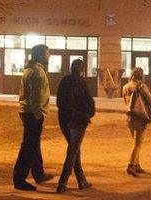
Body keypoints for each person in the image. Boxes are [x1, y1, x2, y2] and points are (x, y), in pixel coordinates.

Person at [15, 44, 55, 189]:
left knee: (33, 145)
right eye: (47, 53)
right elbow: (35, 97)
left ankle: (38, 174)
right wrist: (39, 115)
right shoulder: (37, 73)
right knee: (29, 146)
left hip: (28, 112)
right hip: (32, 114)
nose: (49, 55)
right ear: (40, 55)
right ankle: (19, 179)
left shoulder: (30, 69)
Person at [55, 59, 96, 193]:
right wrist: (88, 114)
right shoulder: (81, 82)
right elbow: (89, 102)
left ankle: (81, 180)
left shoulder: (64, 81)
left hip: (64, 120)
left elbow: (59, 101)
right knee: (73, 151)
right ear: (82, 70)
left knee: (74, 149)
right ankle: (62, 183)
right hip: (78, 121)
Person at [122, 67, 151, 176]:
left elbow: (126, 103)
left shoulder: (125, 87)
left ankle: (136, 164)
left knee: (135, 142)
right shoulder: (141, 87)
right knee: (138, 143)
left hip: (130, 118)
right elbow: (150, 99)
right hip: (140, 117)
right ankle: (131, 165)